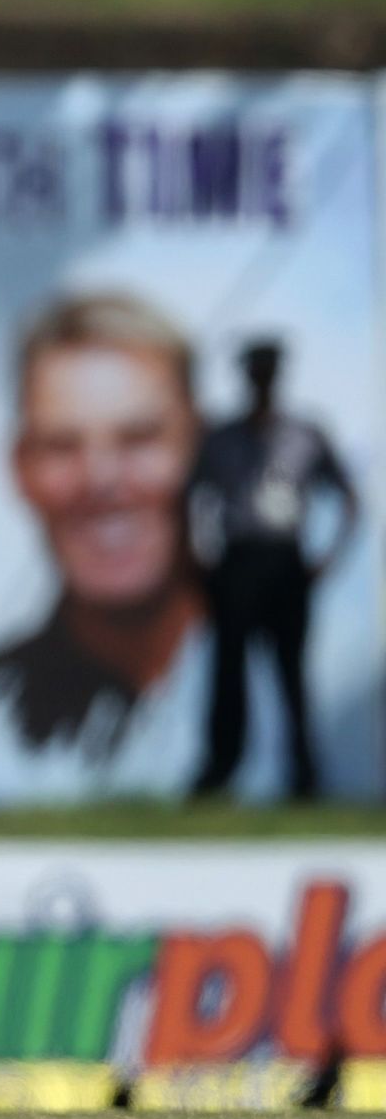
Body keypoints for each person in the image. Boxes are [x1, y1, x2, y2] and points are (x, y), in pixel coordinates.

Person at [0, 292, 205, 770]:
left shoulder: (311, 675)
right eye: (61, 446)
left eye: (139, 438)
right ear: (20, 468)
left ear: (202, 446)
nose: (101, 480)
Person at [188, 337, 359, 799]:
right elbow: (190, 499)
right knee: (228, 674)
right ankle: (219, 770)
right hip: (237, 560)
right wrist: (199, 559)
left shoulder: (306, 434)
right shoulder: (221, 438)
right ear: (246, 377)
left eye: (268, 372)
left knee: (291, 674)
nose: (261, 381)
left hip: (285, 562)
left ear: (278, 377)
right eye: (255, 372)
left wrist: (327, 559)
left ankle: (304, 777)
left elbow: (349, 498)